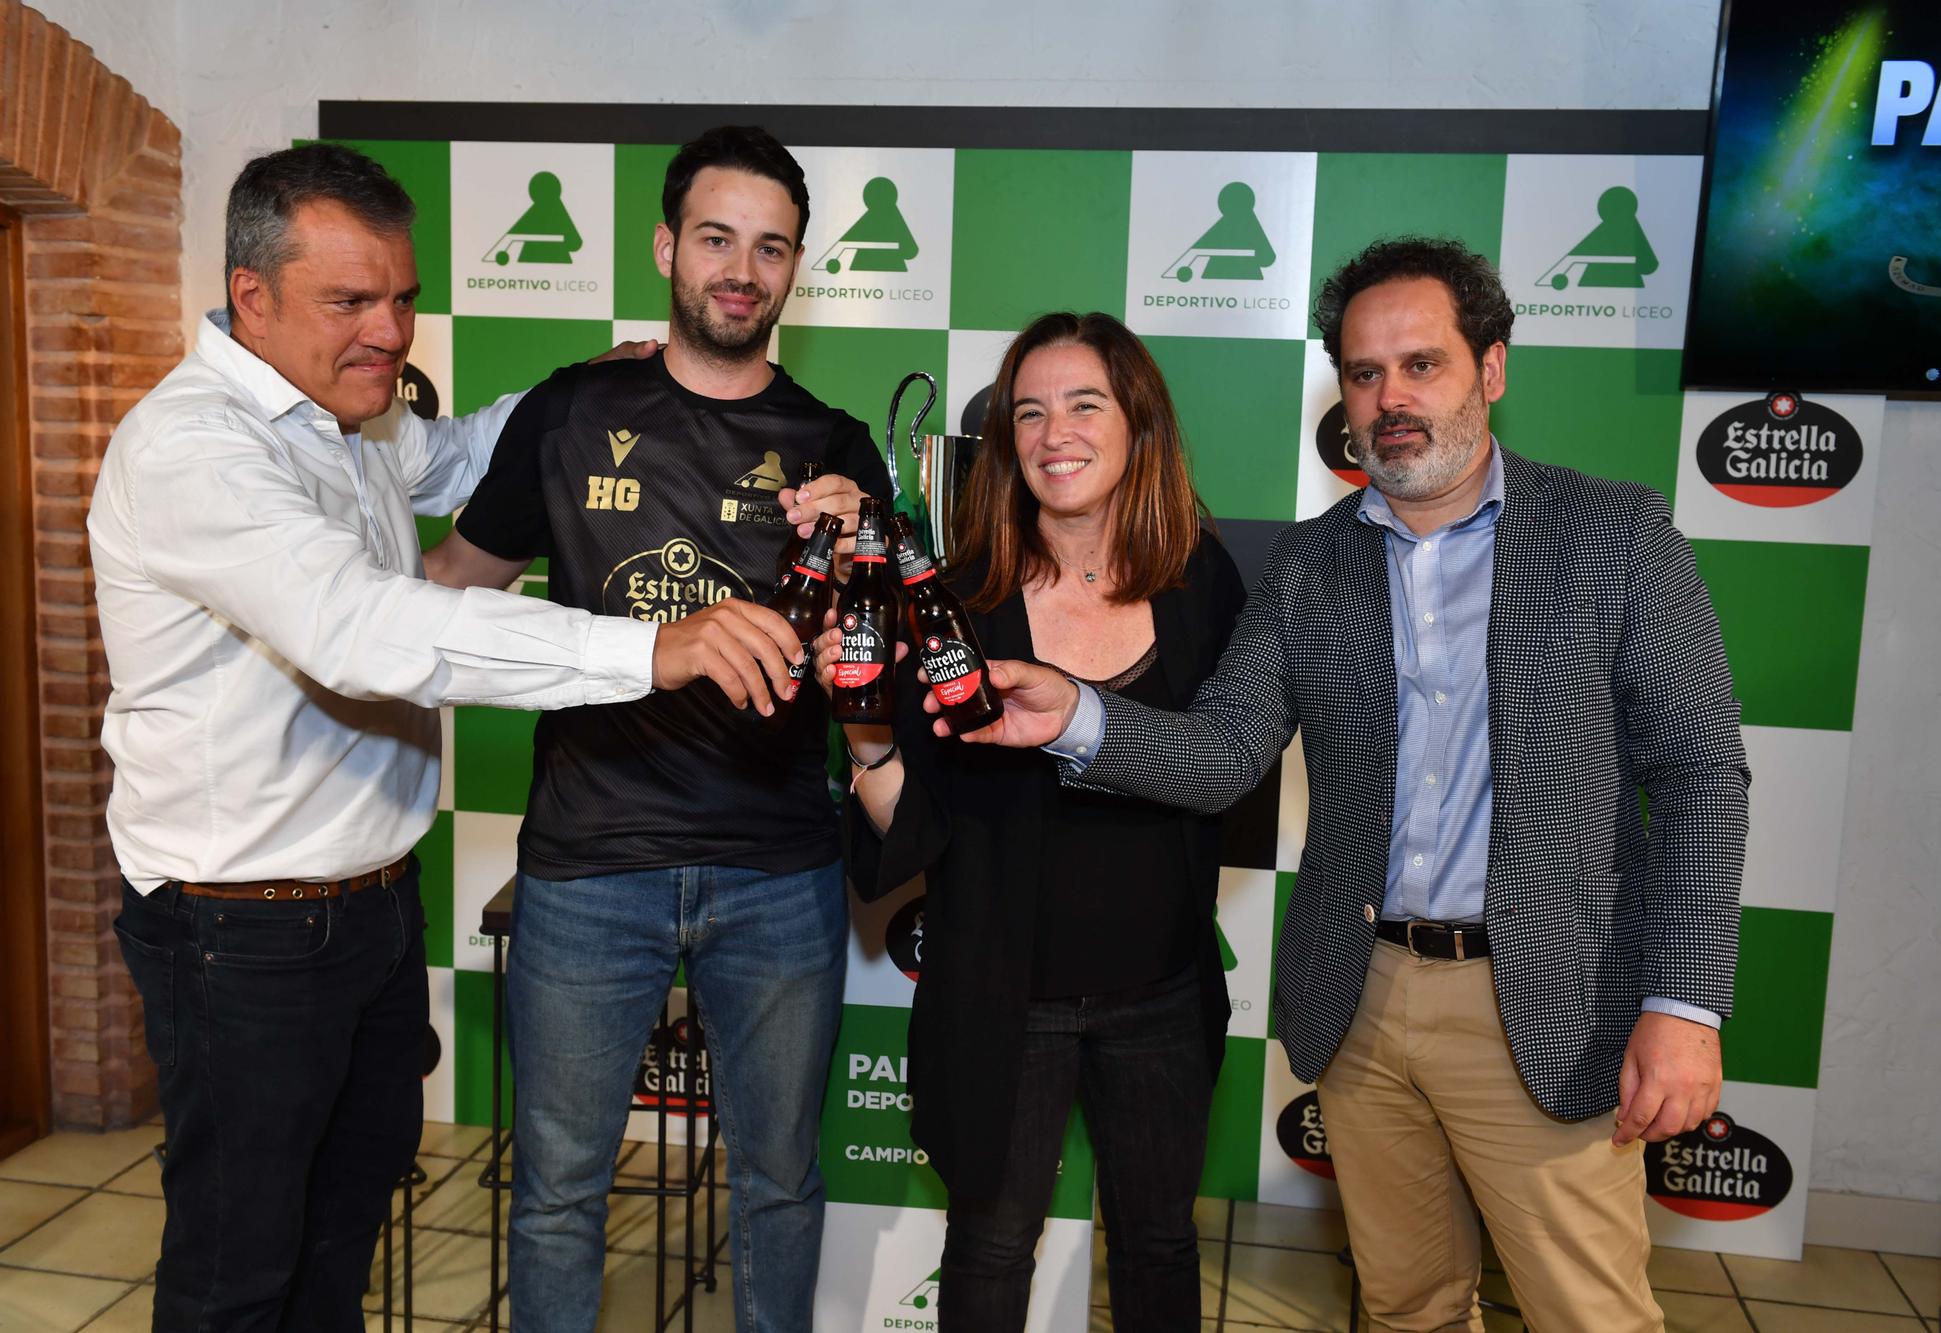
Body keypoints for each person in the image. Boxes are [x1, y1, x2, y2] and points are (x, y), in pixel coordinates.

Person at [946, 238, 1751, 1332]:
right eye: (1365, 376)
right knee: (1406, 1307)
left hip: (1543, 1004)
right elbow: (1225, 750)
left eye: (1421, 364)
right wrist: (1077, 714)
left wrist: (1682, 1002)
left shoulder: (1611, 536)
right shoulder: (1307, 565)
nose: (1391, 400)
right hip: (1361, 1004)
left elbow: (1699, 772)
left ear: (1492, 369)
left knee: (1588, 1314)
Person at [90, 143, 797, 1331]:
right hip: (238, 930)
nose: (389, 332)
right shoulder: (195, 449)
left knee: (337, 1234)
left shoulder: (346, 416)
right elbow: (363, 630)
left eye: (404, 298)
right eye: (351, 302)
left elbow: (464, 452)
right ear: (250, 296)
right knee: (235, 1269)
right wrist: (646, 649)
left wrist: (595, 383)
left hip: (365, 906)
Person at [422, 125, 891, 1332]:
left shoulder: (838, 446)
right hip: (588, 870)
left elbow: (880, 672)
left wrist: (865, 555)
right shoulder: (570, 413)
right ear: (665, 247)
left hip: (779, 872)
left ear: (796, 270)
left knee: (780, 1183)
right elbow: (446, 592)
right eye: (718, 238)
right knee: (562, 1190)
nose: (742, 268)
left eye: (771, 247)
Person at [817, 312, 1244, 1331]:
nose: (1056, 432)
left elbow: (1233, 770)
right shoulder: (953, 601)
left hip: (1162, 991)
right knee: (991, 1245)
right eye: (1029, 412)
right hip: (1003, 996)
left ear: (1137, 423)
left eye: (1084, 404)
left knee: (1157, 1243)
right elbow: (911, 824)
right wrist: (865, 736)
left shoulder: (1204, 585)